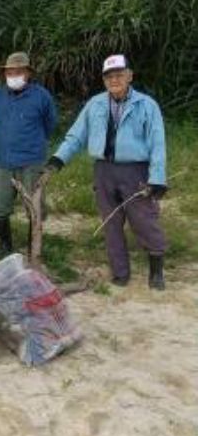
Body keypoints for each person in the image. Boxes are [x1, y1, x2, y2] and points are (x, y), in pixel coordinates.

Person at [47, 55, 167, 290]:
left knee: (144, 220)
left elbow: (158, 143)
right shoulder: (95, 104)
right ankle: (120, 272)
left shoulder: (146, 105)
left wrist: (158, 178)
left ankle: (156, 271)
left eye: (119, 74)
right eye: (109, 76)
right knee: (111, 223)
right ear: (104, 80)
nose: (114, 80)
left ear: (129, 76)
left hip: (136, 171)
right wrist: (58, 158)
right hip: (103, 171)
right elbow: (76, 135)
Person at [0, 52, 57, 257]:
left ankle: (32, 247)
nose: (14, 75)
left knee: (34, 207)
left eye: (18, 71)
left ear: (28, 73)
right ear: (5, 73)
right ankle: (5, 246)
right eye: (10, 71)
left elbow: (50, 124)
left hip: (32, 161)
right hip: (4, 161)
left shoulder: (42, 96)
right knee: (1, 206)